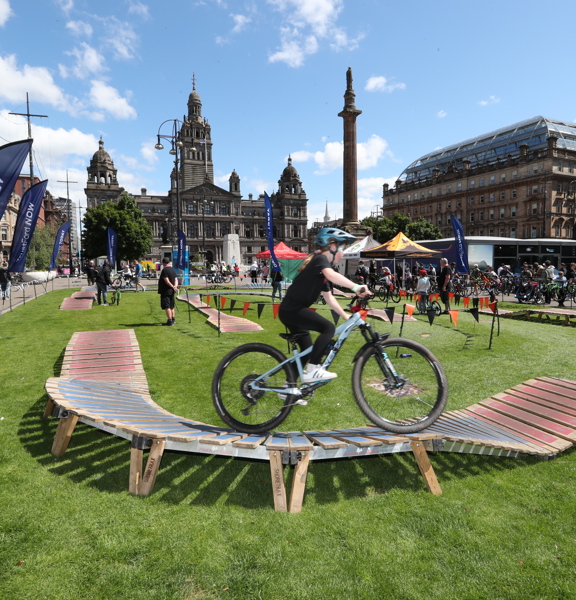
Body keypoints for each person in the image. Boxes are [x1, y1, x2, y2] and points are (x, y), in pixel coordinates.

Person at [279, 227, 370, 384]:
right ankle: (313, 369)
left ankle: (289, 387)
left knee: (307, 351)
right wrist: (356, 287)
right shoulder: (320, 260)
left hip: (290, 311)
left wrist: (345, 316)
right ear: (332, 246)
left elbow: (329, 298)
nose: (344, 253)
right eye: (343, 248)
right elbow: (332, 275)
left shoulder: (321, 270)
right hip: (293, 310)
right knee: (328, 328)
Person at [158, 257, 178, 326]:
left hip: (166, 291)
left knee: (167, 306)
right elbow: (176, 279)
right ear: (169, 262)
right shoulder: (172, 270)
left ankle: (170, 321)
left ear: (163, 263)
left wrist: (172, 286)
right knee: (172, 306)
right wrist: (175, 286)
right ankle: (173, 319)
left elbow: (166, 280)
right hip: (172, 291)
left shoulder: (164, 270)